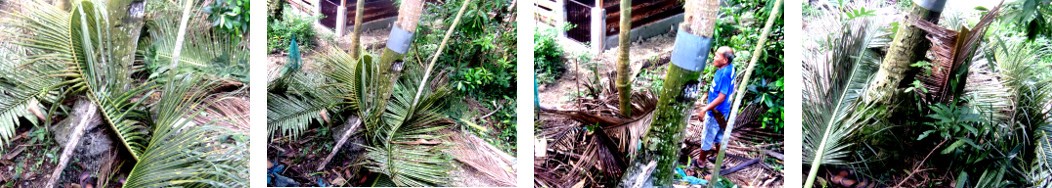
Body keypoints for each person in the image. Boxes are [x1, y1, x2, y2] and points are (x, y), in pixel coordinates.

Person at [696, 46, 735, 169]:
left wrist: (704, 109)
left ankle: (701, 162)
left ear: (725, 60)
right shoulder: (729, 69)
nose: (714, 57)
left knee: (707, 136)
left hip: (715, 112)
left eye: (717, 56)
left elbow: (721, 97)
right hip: (723, 111)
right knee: (718, 135)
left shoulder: (724, 74)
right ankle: (719, 161)